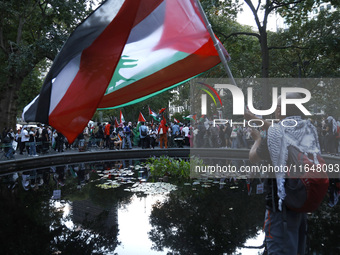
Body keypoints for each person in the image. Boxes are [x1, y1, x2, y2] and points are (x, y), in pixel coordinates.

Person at [246, 92, 319, 255]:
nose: (275, 109)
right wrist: (253, 117)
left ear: (281, 109)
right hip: (300, 200)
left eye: (277, 105)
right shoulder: (306, 129)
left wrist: (257, 139)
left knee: (279, 249)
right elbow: (277, 128)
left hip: (280, 208)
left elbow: (253, 157)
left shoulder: (275, 133)